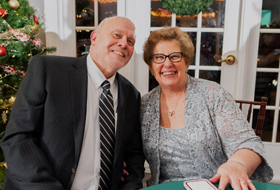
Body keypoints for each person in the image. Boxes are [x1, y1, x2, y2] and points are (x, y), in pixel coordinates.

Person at [1, 16, 145, 190]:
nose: (124, 43)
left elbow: (133, 156)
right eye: (117, 35)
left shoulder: (131, 94)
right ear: (94, 38)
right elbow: (18, 139)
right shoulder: (48, 70)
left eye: (130, 41)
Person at [141, 27, 273, 190]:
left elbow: (248, 142)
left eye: (175, 56)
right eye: (159, 57)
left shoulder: (212, 94)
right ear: (151, 65)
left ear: (186, 61)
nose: (167, 63)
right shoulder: (144, 104)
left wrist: (237, 164)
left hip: (215, 185)